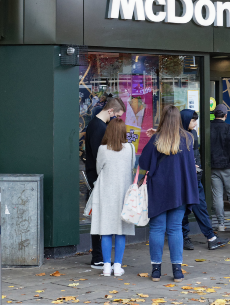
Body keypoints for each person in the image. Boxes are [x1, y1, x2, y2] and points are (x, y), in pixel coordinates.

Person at [139, 106, 203, 283]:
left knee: (157, 229)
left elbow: (144, 162)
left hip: (158, 190)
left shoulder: (156, 139)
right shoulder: (188, 139)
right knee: (175, 229)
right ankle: (177, 271)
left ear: (163, 119)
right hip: (179, 191)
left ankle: (156, 271)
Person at [176, 109, 229, 251]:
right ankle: (184, 237)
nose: (194, 123)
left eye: (195, 121)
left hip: (194, 177)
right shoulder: (177, 136)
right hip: (182, 178)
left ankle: (210, 237)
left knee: (201, 207)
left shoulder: (192, 133)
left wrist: (198, 172)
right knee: (183, 210)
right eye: (193, 120)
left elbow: (196, 154)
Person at [90, 118, 136, 277]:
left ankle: (106, 267)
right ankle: (117, 266)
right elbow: (132, 166)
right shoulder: (130, 148)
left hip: (106, 194)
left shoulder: (103, 149)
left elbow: (98, 169)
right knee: (121, 232)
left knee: (106, 231)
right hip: (124, 194)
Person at [84, 96, 125, 269]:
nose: (116, 120)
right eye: (116, 116)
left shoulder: (95, 125)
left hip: (96, 176)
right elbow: (99, 158)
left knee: (98, 216)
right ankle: (98, 257)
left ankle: (99, 256)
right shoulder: (99, 127)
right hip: (98, 178)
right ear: (110, 111)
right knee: (99, 217)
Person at [209, 105, 230, 231]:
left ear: (214, 114)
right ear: (226, 115)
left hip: (213, 166)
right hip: (229, 166)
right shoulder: (229, 128)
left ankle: (221, 224)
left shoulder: (208, 127)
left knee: (217, 196)